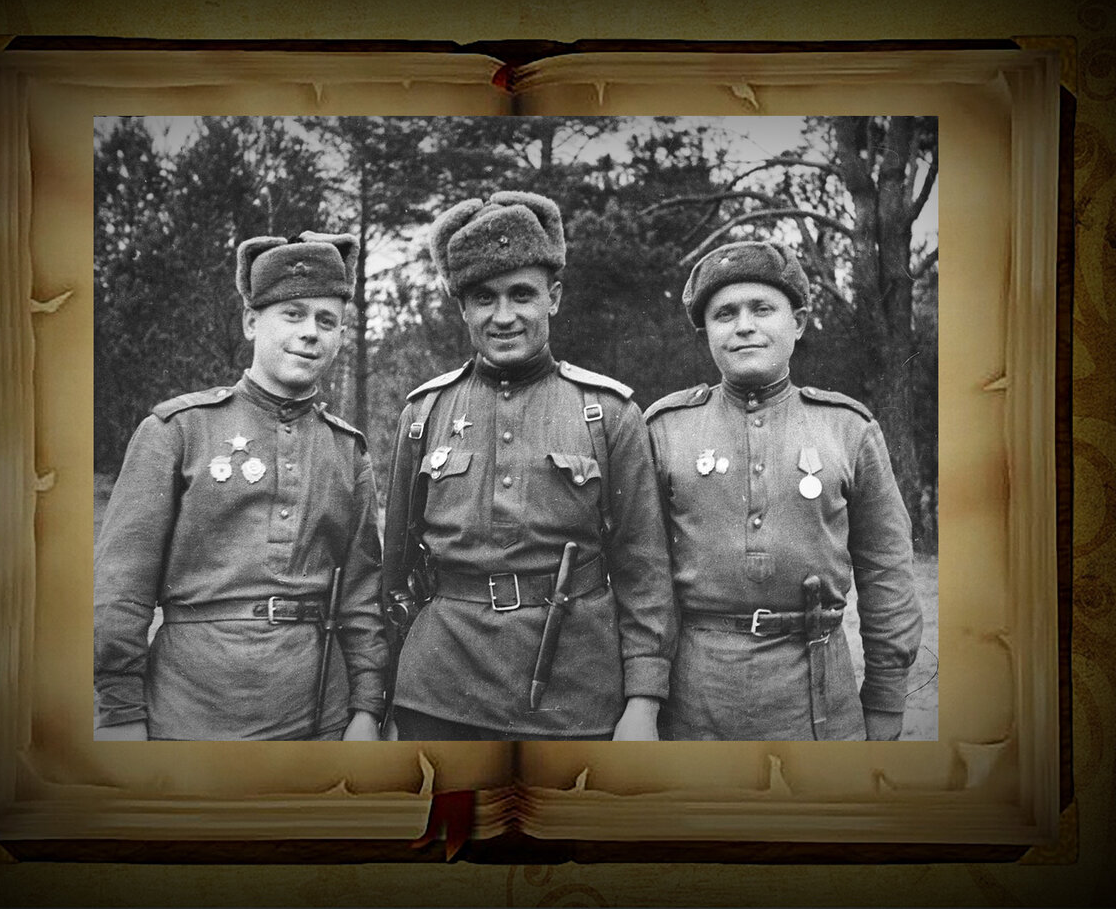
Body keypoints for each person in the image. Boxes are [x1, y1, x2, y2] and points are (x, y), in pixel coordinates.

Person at [381, 191, 677, 741]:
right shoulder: (424, 414)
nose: (504, 316)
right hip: (440, 691)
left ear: (553, 298)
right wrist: (384, 701)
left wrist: (643, 700)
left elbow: (644, 572)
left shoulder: (608, 413)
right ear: (462, 307)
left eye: (522, 294)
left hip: (572, 691)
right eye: (484, 298)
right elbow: (394, 571)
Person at [94, 232, 387, 741]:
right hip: (190, 713)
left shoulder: (347, 451)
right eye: (292, 314)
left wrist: (365, 709)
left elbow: (362, 598)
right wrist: (120, 713)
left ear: (341, 336)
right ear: (252, 321)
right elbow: (122, 590)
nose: (310, 333)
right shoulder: (178, 430)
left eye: (326, 321)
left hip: (318, 717)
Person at [645, 241, 922, 741]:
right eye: (725, 314)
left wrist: (885, 701)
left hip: (818, 694)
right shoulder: (665, 429)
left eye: (762, 309)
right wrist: (643, 699)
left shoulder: (848, 429)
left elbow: (887, 571)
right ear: (705, 333)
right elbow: (640, 577)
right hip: (694, 696)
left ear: (797, 323)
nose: (744, 326)